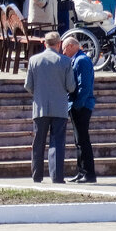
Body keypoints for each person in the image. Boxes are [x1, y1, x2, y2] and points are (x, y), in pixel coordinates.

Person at [23, 32, 75, 184]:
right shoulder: (65, 61)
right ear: (59, 44)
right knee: (57, 142)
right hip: (59, 108)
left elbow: (28, 85)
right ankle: (57, 176)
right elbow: (71, 87)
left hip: (40, 108)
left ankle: (36, 175)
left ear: (44, 44)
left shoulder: (34, 60)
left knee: (38, 142)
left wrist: (39, 93)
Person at [62, 36, 97, 184]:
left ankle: (88, 174)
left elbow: (85, 86)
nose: (63, 52)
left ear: (71, 46)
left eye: (64, 48)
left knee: (82, 141)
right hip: (78, 105)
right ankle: (81, 171)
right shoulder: (76, 59)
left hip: (81, 106)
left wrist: (77, 104)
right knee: (79, 141)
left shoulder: (81, 60)